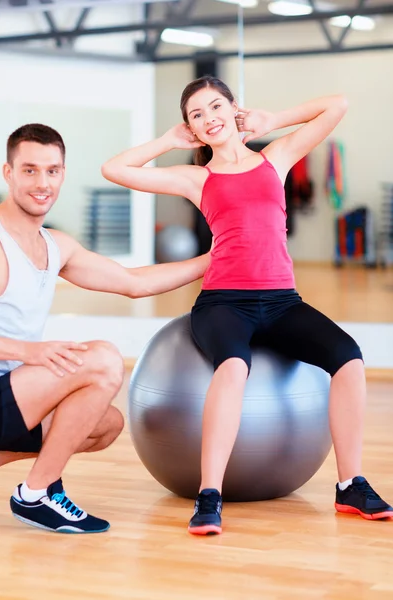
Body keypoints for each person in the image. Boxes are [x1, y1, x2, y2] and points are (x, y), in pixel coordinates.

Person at [101, 75, 393, 535]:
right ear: (191, 130)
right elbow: (115, 169)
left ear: (234, 109)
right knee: (234, 367)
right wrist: (165, 140)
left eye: (215, 107)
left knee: (349, 358)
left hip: (282, 302)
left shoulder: (275, 159)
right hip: (223, 303)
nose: (208, 119)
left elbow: (336, 103)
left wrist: (273, 119)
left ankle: (350, 485)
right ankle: (209, 494)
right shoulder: (197, 178)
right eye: (196, 115)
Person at [0, 123, 211, 535]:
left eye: (52, 171)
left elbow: (134, 282)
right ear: (8, 172)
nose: (42, 183)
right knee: (104, 359)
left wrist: (219, 257)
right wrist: (28, 351)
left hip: (16, 393)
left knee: (105, 425)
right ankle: (35, 495)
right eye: (30, 170)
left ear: (63, 174)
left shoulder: (56, 245)